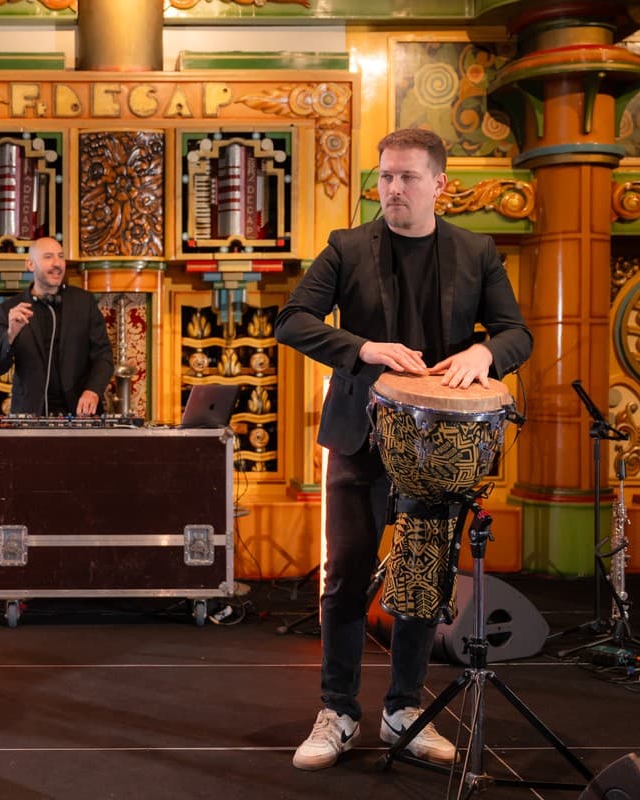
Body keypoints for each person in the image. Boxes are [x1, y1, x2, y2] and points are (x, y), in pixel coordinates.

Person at [273, 128, 532, 770]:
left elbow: (516, 333)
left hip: (437, 445)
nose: (392, 188)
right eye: (385, 176)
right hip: (359, 435)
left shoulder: (476, 250)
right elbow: (292, 320)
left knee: (423, 579)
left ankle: (404, 711)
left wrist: (484, 353)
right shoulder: (347, 247)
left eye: (407, 177)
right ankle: (337, 710)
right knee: (345, 576)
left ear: (439, 184)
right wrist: (362, 347)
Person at [0, 237, 113, 415]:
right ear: (30, 264)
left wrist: (92, 391)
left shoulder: (84, 302)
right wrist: (10, 334)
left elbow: (103, 356)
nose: (57, 263)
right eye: (48, 257)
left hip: (79, 413)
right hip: (31, 414)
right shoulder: (11, 309)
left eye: (60, 256)